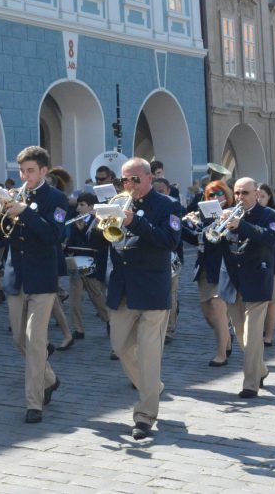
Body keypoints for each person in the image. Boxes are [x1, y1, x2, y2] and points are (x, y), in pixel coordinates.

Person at [89, 157, 180, 440]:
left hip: (152, 288)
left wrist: (135, 221)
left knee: (150, 354)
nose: (128, 185)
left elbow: (169, 241)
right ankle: (152, 387)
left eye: (134, 180)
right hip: (123, 287)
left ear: (149, 178)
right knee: (120, 346)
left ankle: (144, 415)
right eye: (123, 180)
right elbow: (99, 241)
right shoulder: (117, 202)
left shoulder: (168, 206)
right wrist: (97, 222)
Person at [3, 146, 65, 424]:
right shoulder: (16, 196)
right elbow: (3, 234)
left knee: (35, 340)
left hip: (42, 277)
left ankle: (34, 402)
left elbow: (53, 234)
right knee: (19, 339)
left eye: (29, 170)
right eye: (21, 171)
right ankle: (49, 379)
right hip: (17, 275)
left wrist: (25, 212)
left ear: (43, 171)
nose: (24, 176)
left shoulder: (57, 198)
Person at [223, 178, 275, 398]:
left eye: (245, 193)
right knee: (241, 335)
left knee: (254, 335)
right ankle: (261, 369)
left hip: (257, 279)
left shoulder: (270, 215)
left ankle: (250, 383)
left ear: (256, 193)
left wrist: (242, 225)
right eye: (236, 193)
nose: (240, 198)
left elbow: (270, 238)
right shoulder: (229, 213)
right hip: (235, 279)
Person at [181, 180, 234, 366]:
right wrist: (183, 226)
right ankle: (226, 335)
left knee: (217, 309)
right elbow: (197, 241)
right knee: (208, 314)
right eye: (211, 195)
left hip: (223, 267)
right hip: (204, 268)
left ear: (226, 195)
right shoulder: (203, 216)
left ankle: (221, 354)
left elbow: (217, 238)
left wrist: (198, 226)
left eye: (219, 194)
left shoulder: (231, 214)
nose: (215, 198)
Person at [65, 193, 109, 339]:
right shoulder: (74, 221)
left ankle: (109, 319)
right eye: (78, 205)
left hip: (92, 263)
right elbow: (71, 243)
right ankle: (78, 329)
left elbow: (98, 243)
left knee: (96, 295)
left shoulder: (98, 221)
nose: (78, 208)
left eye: (82, 205)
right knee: (75, 297)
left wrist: (83, 230)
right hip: (76, 262)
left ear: (91, 207)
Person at [154, 177, 183, 344]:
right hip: (154, 257)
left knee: (170, 294)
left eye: (161, 191)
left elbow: (177, 234)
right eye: (155, 191)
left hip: (171, 257)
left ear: (168, 191)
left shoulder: (173, 205)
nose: (158, 194)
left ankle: (169, 330)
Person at [257, 184, 275, 347]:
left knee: (272, 301)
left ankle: (269, 335)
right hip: (254, 264)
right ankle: (257, 331)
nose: (259, 200)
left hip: (273, 261)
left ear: (269, 198)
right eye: (257, 196)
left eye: (263, 197)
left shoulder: (274, 215)